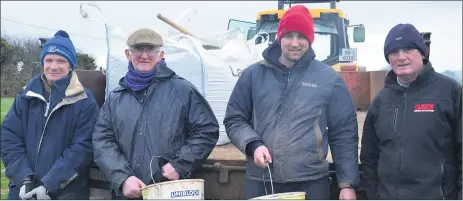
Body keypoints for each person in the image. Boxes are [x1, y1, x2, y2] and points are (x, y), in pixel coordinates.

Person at [223, 5, 359, 200]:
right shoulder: (253, 75)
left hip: (310, 183)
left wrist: (347, 184)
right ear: (279, 37)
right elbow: (234, 119)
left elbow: (344, 132)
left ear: (310, 40)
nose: (295, 43)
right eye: (289, 36)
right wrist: (253, 144)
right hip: (262, 180)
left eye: (302, 36)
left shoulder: (328, 78)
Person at [92, 28, 220, 199]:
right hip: (128, 194)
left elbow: (207, 131)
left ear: (160, 55)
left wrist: (178, 165)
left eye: (150, 49)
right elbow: (102, 141)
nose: (144, 55)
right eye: (138, 49)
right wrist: (123, 178)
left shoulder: (182, 91)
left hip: (170, 191)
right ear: (128, 54)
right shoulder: (115, 98)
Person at [360, 23, 462, 200]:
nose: (401, 57)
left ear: (422, 53)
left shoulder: (450, 93)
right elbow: (369, 158)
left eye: (408, 49)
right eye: (393, 52)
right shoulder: (380, 101)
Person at [1, 30, 100, 200]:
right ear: (42, 62)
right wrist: (24, 179)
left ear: (71, 65)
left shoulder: (85, 101)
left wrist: (48, 185)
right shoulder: (26, 96)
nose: (53, 66)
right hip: (22, 192)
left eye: (61, 61)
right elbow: (9, 138)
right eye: (49, 60)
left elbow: (82, 149)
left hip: (65, 194)